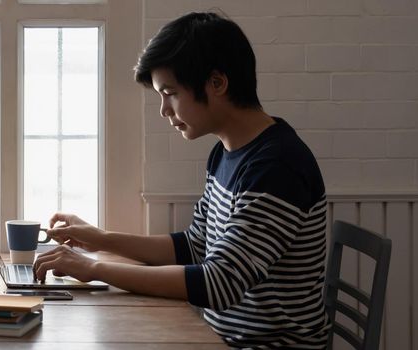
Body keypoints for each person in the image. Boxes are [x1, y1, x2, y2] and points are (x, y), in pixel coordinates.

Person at [33, 12, 330, 349]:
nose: (164, 110)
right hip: (219, 338)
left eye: (170, 93)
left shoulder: (277, 166)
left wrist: (95, 269)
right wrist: (101, 238)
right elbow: (194, 247)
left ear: (217, 83)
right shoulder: (225, 153)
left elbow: (220, 284)